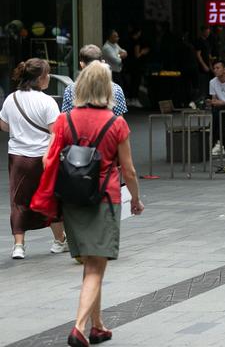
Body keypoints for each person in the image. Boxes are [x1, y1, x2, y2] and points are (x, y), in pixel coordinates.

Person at [46, 61, 144, 347]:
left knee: (91, 260)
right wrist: (135, 200)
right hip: (104, 198)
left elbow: (47, 159)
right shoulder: (117, 123)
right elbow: (129, 171)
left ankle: (97, 326)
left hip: (72, 201)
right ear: (107, 88)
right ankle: (78, 328)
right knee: (95, 266)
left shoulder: (65, 120)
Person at [0, 59, 66, 259]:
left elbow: (3, 125)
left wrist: (20, 130)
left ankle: (19, 245)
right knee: (49, 198)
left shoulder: (11, 99)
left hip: (18, 157)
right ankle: (58, 241)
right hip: (43, 157)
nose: (48, 78)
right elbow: (56, 132)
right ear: (39, 78)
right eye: (47, 74)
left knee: (18, 201)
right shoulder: (47, 101)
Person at [62, 45, 128, 116]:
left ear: (82, 64)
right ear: (102, 62)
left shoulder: (70, 89)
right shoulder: (116, 89)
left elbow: (66, 119)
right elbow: (119, 121)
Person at [123, 27, 149, 108]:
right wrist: (143, 51)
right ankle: (134, 99)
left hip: (130, 64)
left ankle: (130, 99)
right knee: (136, 82)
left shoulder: (128, 41)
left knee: (131, 82)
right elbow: (137, 55)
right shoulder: (136, 42)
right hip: (136, 65)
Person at [194, 26, 213, 100]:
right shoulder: (199, 41)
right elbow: (198, 55)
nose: (208, 33)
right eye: (206, 32)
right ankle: (200, 101)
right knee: (202, 84)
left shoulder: (207, 41)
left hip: (208, 65)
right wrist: (204, 65)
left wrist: (211, 66)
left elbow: (208, 54)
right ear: (202, 31)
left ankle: (206, 100)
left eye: (208, 32)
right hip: (201, 67)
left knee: (206, 84)